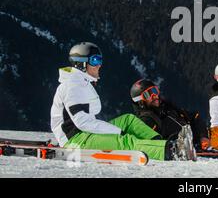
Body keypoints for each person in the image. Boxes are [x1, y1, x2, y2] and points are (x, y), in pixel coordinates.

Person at [50, 42, 195, 161]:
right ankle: (173, 150)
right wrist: (117, 131)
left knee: (129, 120)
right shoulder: (72, 86)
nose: (99, 65)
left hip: (84, 132)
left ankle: (160, 143)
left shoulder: (81, 83)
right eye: (95, 60)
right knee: (125, 141)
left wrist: (117, 129)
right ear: (80, 64)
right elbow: (83, 122)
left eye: (100, 60)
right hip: (75, 139)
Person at [130, 78, 210, 151]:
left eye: (154, 91)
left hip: (199, 146)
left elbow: (194, 117)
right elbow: (150, 144)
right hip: (180, 154)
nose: (154, 96)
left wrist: (203, 136)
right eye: (148, 94)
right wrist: (176, 147)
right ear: (140, 102)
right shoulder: (147, 120)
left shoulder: (167, 108)